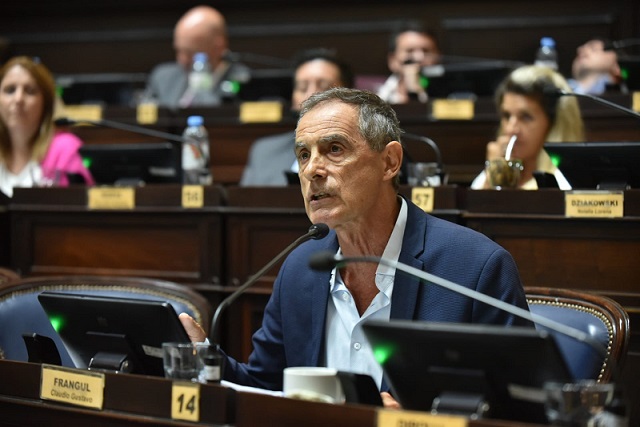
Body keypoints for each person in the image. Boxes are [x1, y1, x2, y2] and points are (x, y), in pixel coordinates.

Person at [180, 87, 531, 407]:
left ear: (389, 162)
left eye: (334, 149)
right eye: (303, 154)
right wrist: (204, 358)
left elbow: (518, 408)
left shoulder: (474, 268)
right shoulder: (301, 268)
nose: (312, 170)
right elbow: (266, 386)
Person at [239, 48, 354, 187]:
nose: (311, 94)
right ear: (293, 99)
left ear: (348, 95)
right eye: (303, 87)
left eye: (323, 86)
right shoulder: (264, 152)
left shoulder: (359, 151)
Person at [471, 65, 585, 190]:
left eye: (525, 117)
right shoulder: (486, 177)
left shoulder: (564, 182)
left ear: (554, 124)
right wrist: (493, 177)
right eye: (507, 116)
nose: (510, 129)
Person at [0, 56, 94, 197]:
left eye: (30, 91)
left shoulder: (65, 149)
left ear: (46, 104)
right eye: (10, 90)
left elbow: (83, 206)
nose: (18, 99)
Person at [142, 5, 250, 109]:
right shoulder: (162, 78)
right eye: (179, 50)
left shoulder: (243, 80)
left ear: (218, 46)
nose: (183, 59)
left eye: (191, 53)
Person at [377, 21, 441, 104]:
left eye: (426, 51)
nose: (419, 57)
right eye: (410, 51)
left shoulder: (450, 98)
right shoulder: (375, 101)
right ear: (392, 60)